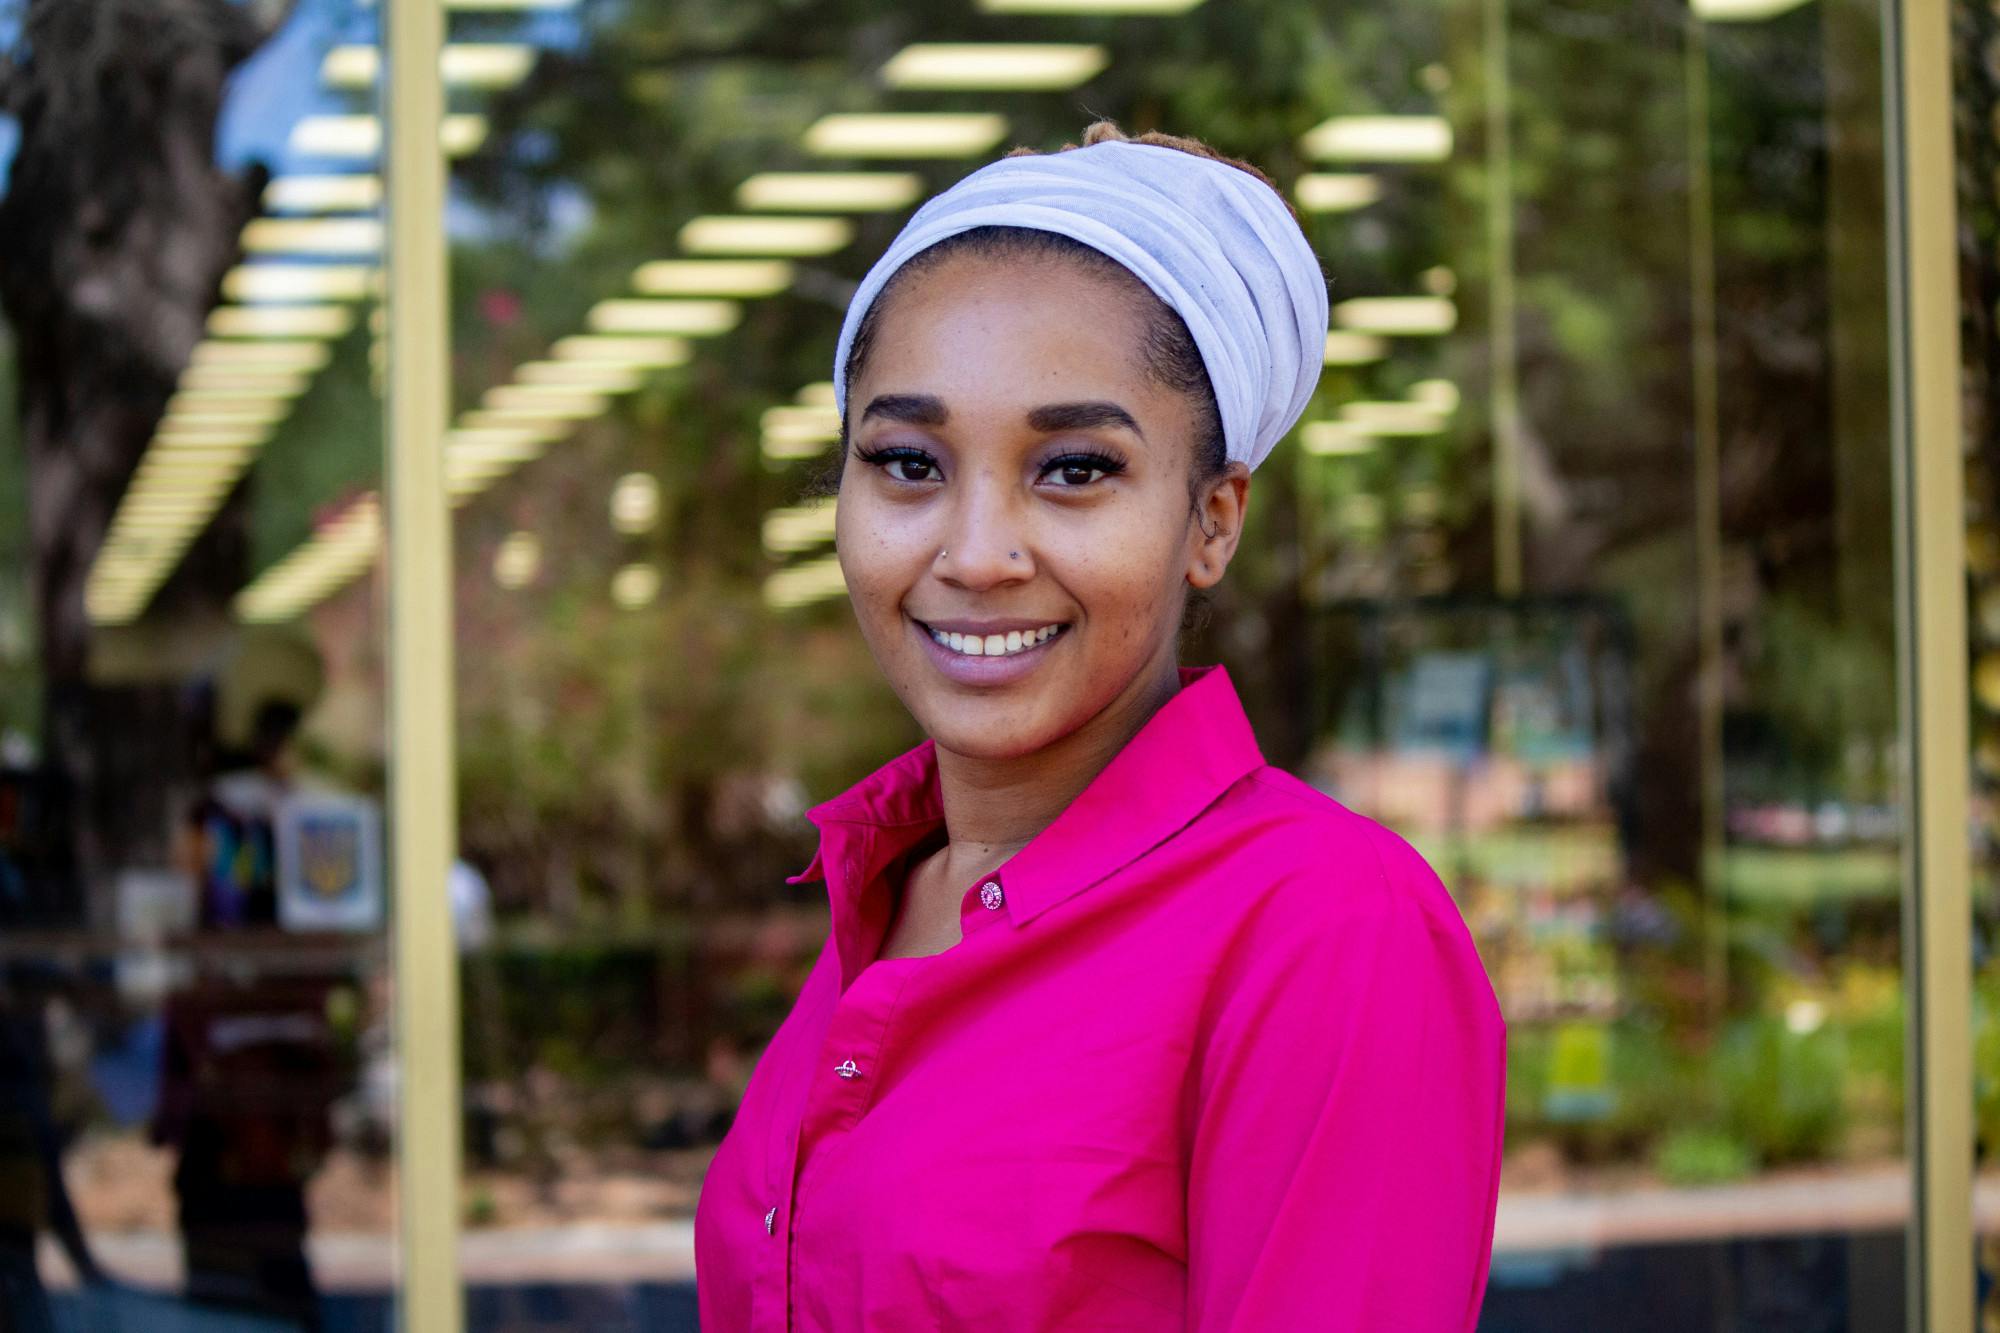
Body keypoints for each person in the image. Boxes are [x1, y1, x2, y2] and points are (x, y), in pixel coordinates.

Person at [693, 121, 1506, 1331]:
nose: (973, 554)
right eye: (907, 463)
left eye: (1072, 469)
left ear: (1212, 519)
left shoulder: (1321, 927)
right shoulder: (885, 896)